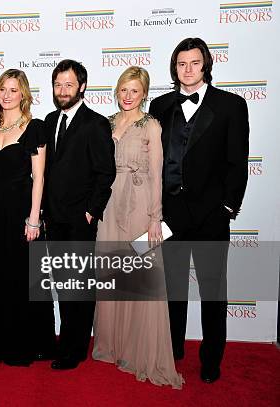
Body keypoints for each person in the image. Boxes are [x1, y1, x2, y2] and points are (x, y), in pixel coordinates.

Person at [149, 38, 249, 383]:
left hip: (211, 216)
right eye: (181, 64)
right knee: (173, 290)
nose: (188, 70)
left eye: (194, 63)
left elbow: (238, 162)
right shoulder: (160, 105)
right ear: (174, 68)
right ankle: (173, 348)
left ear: (205, 65)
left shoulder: (230, 105)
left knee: (212, 292)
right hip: (172, 216)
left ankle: (211, 359)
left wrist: (226, 207)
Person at [92, 66, 184, 389]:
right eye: (123, 90)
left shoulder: (152, 126)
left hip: (141, 201)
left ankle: (136, 350)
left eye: (134, 91)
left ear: (144, 94)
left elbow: (158, 173)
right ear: (116, 92)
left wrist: (155, 217)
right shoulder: (105, 124)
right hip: (109, 200)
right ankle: (112, 346)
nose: (127, 96)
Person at [0, 69, 56, 366]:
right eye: (2, 90)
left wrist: (34, 218)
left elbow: (39, 177)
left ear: (23, 94)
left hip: (23, 209)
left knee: (25, 277)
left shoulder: (35, 127)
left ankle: (29, 342)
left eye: (13, 89)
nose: (7, 95)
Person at [43, 59, 116, 370]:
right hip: (53, 218)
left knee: (80, 287)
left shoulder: (95, 123)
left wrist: (91, 212)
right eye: (58, 85)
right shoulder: (48, 120)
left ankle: (75, 350)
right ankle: (67, 338)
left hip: (79, 220)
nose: (62, 91)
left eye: (68, 85)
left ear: (82, 87)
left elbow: (105, 173)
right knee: (63, 284)